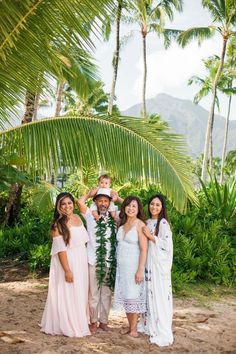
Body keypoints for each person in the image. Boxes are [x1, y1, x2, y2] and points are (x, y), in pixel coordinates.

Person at [40, 192, 90, 337]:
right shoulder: (57, 224)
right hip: (67, 261)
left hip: (81, 259)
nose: (67, 206)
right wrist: (67, 270)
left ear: (73, 204)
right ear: (58, 207)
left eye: (69, 203)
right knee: (69, 291)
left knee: (79, 291)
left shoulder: (78, 217)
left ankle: (79, 320)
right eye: (63, 204)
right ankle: (68, 324)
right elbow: (60, 250)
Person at [77, 188, 118, 334]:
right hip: (93, 260)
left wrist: (117, 198)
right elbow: (80, 202)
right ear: (95, 202)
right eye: (100, 200)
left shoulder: (115, 217)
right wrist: (88, 194)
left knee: (106, 294)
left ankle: (104, 322)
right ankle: (93, 322)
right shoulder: (90, 215)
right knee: (93, 294)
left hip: (109, 261)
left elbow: (132, 207)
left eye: (106, 200)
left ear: (109, 203)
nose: (103, 203)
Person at [138, 194, 173, 346]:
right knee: (147, 292)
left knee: (158, 294)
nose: (154, 207)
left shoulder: (163, 223)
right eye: (152, 204)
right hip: (147, 263)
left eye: (158, 205)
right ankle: (147, 324)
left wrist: (151, 237)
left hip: (158, 266)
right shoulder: (146, 222)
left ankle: (160, 327)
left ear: (162, 207)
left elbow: (167, 246)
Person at [114, 196, 148, 338]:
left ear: (138, 209)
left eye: (134, 206)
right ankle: (130, 327)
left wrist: (140, 269)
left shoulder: (140, 225)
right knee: (127, 296)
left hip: (134, 266)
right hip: (122, 268)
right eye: (128, 206)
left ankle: (134, 329)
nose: (131, 208)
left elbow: (144, 249)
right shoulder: (121, 224)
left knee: (133, 296)